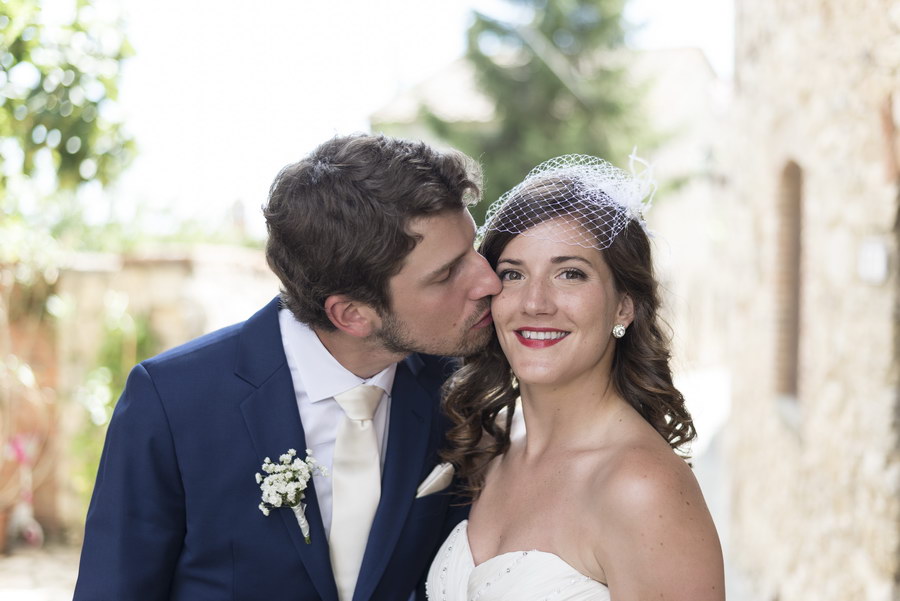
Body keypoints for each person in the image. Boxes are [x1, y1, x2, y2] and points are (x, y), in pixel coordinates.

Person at [73, 134, 502, 601]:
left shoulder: (460, 388)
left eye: (473, 249)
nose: (488, 279)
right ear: (352, 314)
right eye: (446, 273)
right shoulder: (173, 402)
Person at [426, 155, 725, 600]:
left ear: (624, 305)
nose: (535, 303)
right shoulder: (491, 447)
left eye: (570, 274)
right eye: (513, 274)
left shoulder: (641, 489)